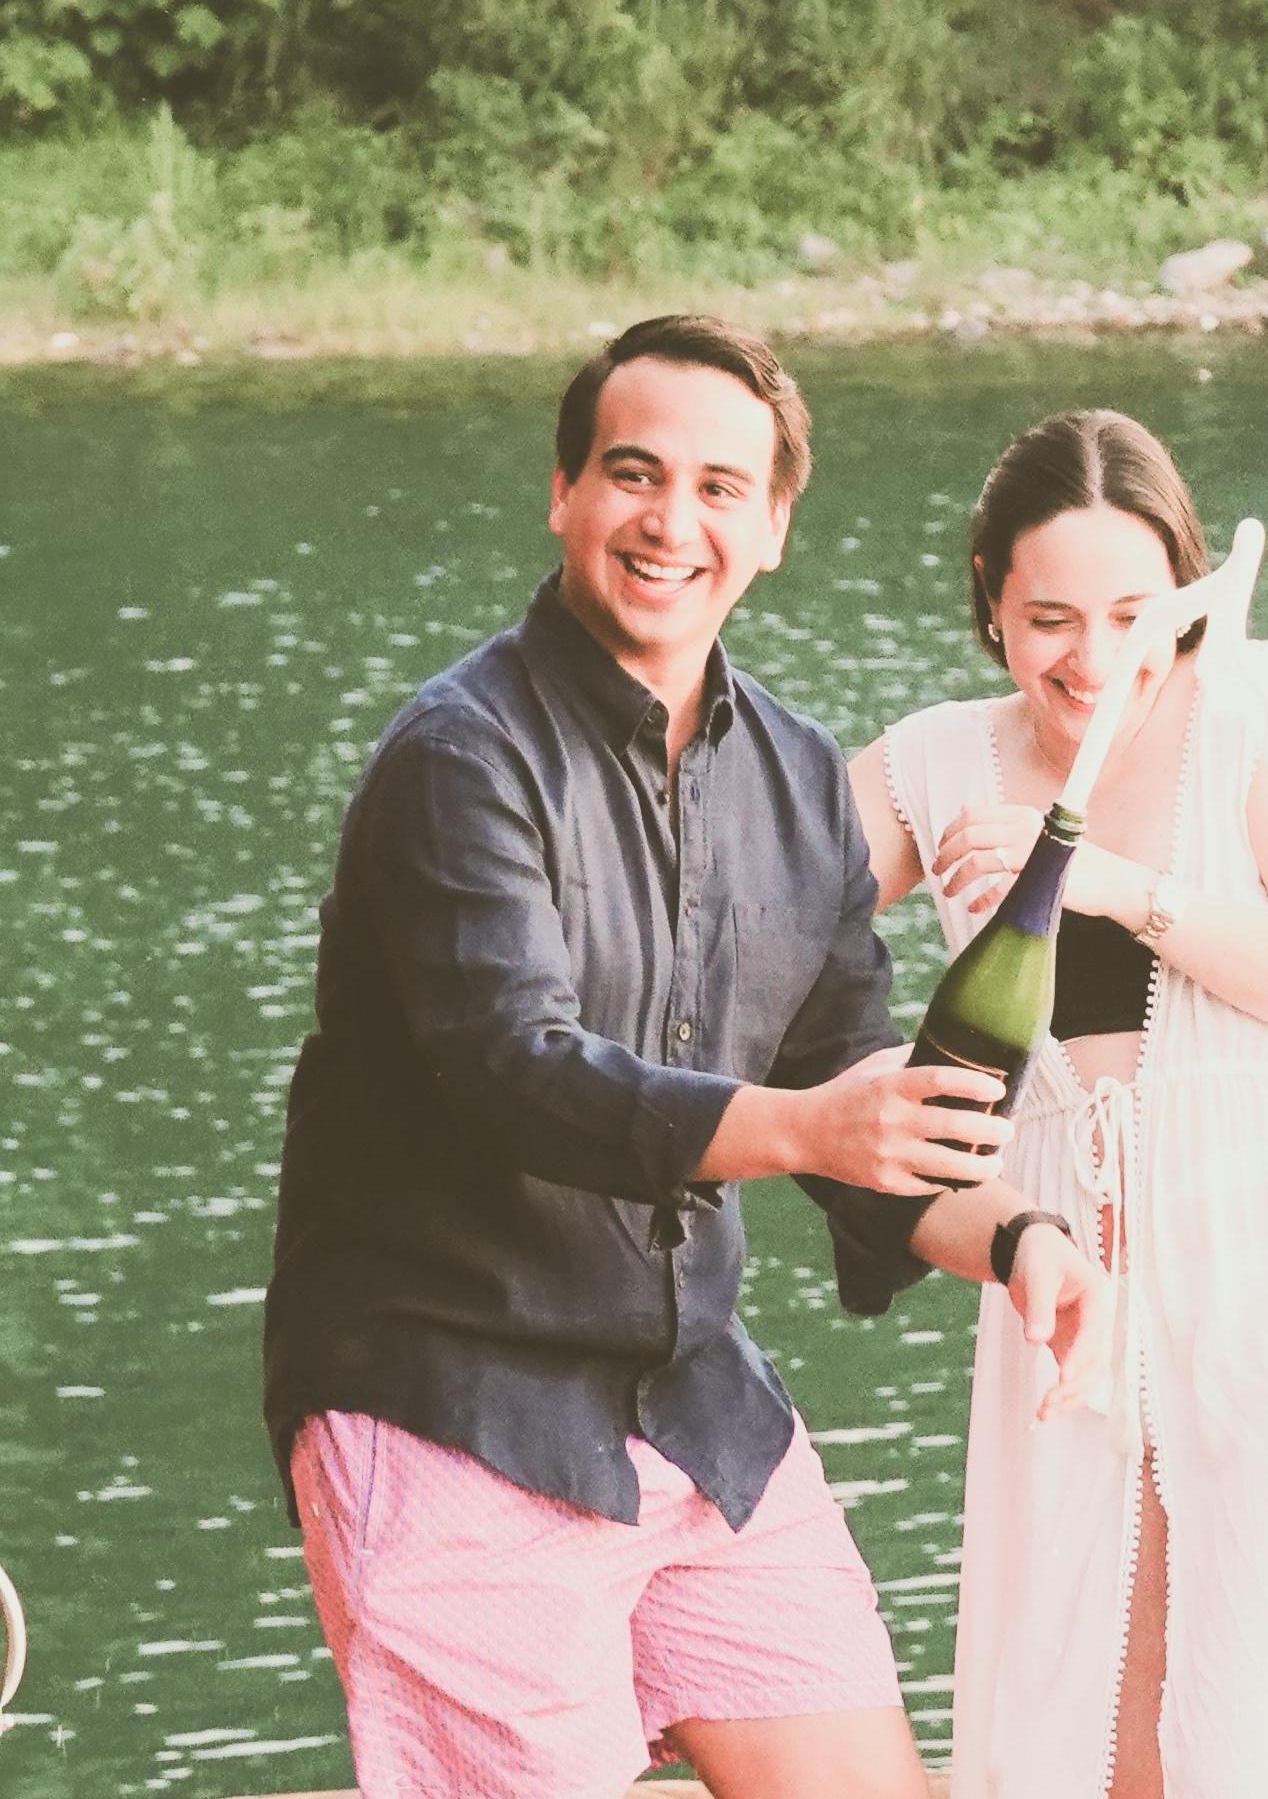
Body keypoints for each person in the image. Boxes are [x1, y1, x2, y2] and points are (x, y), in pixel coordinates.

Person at [263, 314, 1115, 1799]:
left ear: (774, 526)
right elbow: (516, 1069)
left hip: (695, 1409)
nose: (672, 521)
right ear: (564, 494)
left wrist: (1022, 1238)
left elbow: (864, 1102)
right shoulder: (459, 756)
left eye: (721, 487)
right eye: (633, 473)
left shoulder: (797, 776)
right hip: (448, 1396)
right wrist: (808, 1127)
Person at [851, 410, 1268, 1799]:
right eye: (1050, 620)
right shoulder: (933, 763)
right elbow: (741, 916)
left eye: (1131, 614)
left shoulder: (1253, 703)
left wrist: (1119, 888)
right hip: (1068, 1312)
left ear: (1184, 590)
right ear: (991, 598)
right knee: (1084, 1739)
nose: (1095, 658)